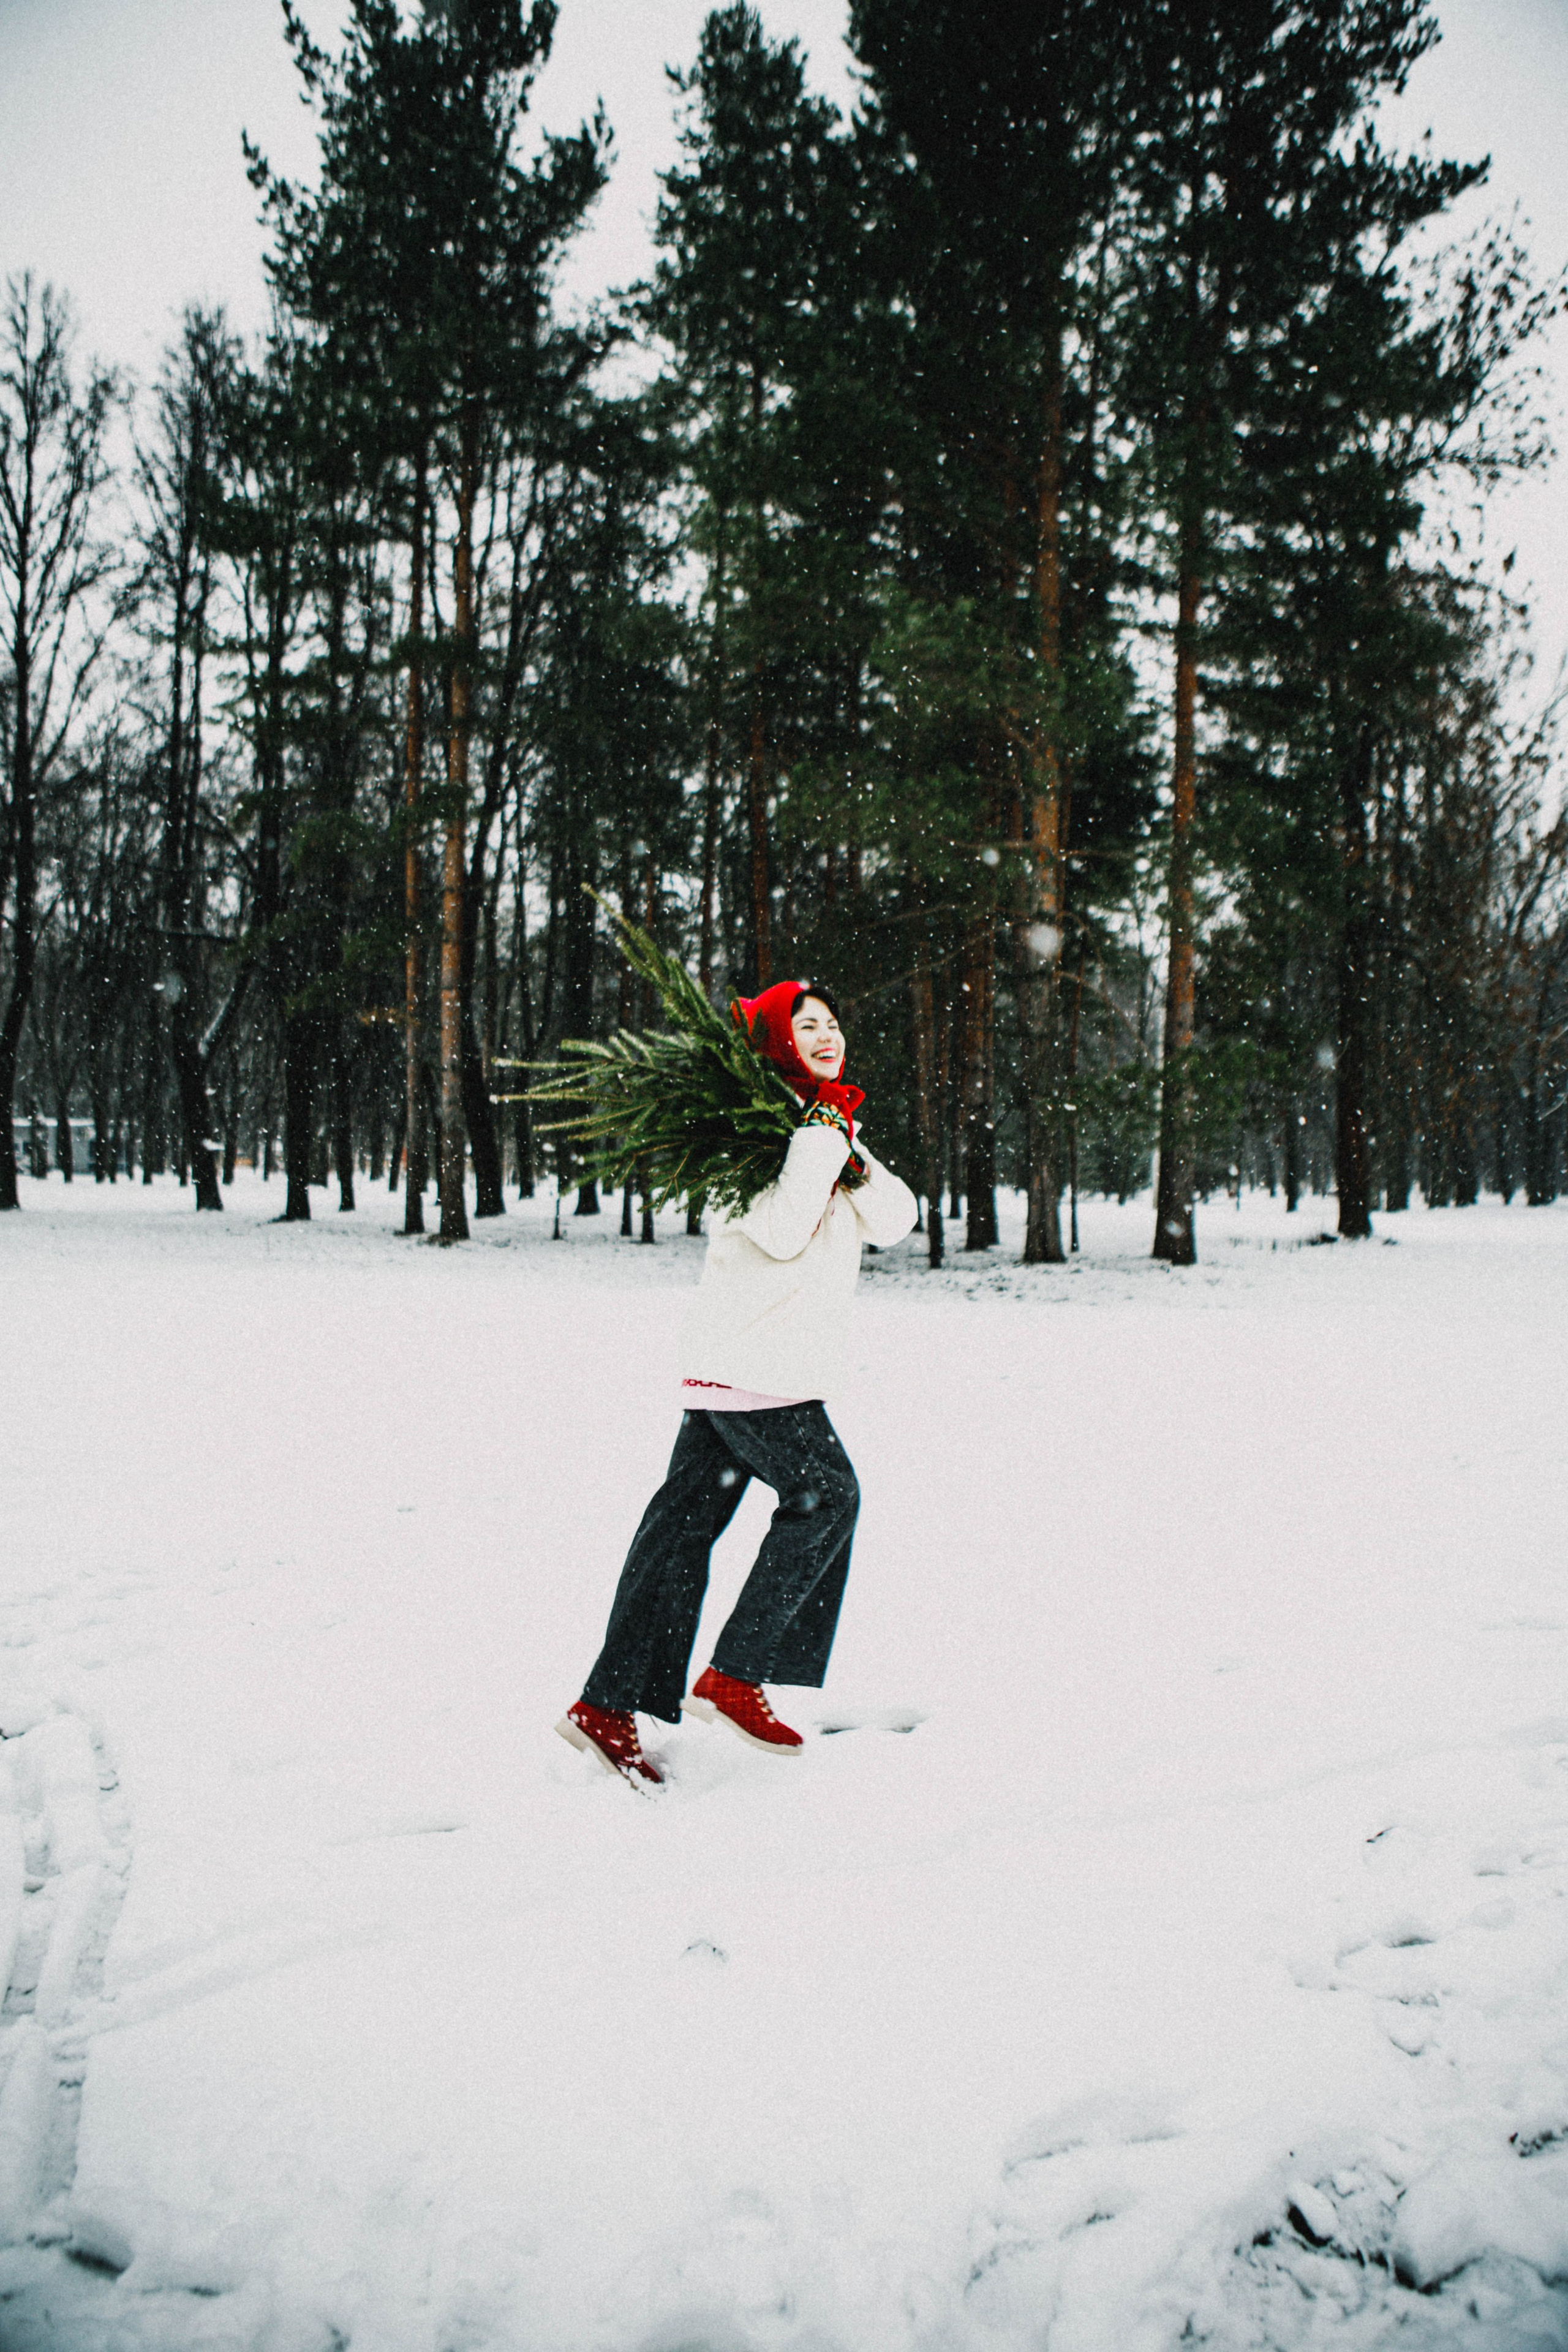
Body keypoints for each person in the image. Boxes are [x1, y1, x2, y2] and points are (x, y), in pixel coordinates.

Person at [556, 982, 918, 1787]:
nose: (826, 1035)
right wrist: (824, 1143)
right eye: (805, 1026)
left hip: (742, 1365)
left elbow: (899, 1219)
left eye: (831, 1022)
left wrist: (841, 1149)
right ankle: (736, 1673)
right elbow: (784, 1231)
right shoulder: (741, 1133)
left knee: (681, 1530)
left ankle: (607, 1704)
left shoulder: (822, 1121)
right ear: (774, 1044)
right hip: (761, 1367)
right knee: (829, 1493)